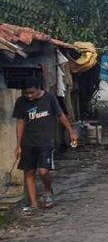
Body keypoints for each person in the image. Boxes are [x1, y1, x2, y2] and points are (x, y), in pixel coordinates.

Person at [13, 78, 78, 215]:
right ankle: (34, 204)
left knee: (43, 171)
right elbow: (20, 122)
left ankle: (48, 190)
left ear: (38, 88)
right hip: (27, 143)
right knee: (29, 172)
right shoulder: (21, 102)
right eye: (26, 93)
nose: (29, 96)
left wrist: (71, 131)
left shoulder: (49, 98)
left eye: (31, 92)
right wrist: (18, 145)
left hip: (45, 142)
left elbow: (60, 115)